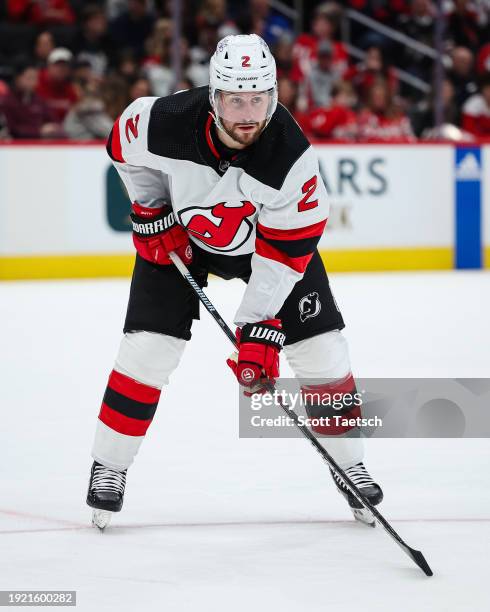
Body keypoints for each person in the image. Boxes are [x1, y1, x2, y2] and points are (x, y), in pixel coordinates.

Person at [86, 34, 383, 530]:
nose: (247, 113)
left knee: (323, 350)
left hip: (267, 251)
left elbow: (285, 255)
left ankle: (349, 462)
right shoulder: (163, 122)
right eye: (234, 99)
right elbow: (122, 143)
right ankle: (108, 466)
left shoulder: (292, 160)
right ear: (213, 96)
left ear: (274, 95)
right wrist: (150, 208)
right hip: (182, 240)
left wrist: (257, 327)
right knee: (146, 351)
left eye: (258, 99)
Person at [1, 61, 60, 138]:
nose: (33, 82)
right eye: (29, 78)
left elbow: (54, 120)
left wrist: (52, 128)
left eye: (35, 78)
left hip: (39, 145)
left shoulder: (39, 100)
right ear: (18, 78)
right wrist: (39, 131)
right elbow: (12, 129)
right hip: (15, 146)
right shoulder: (8, 102)